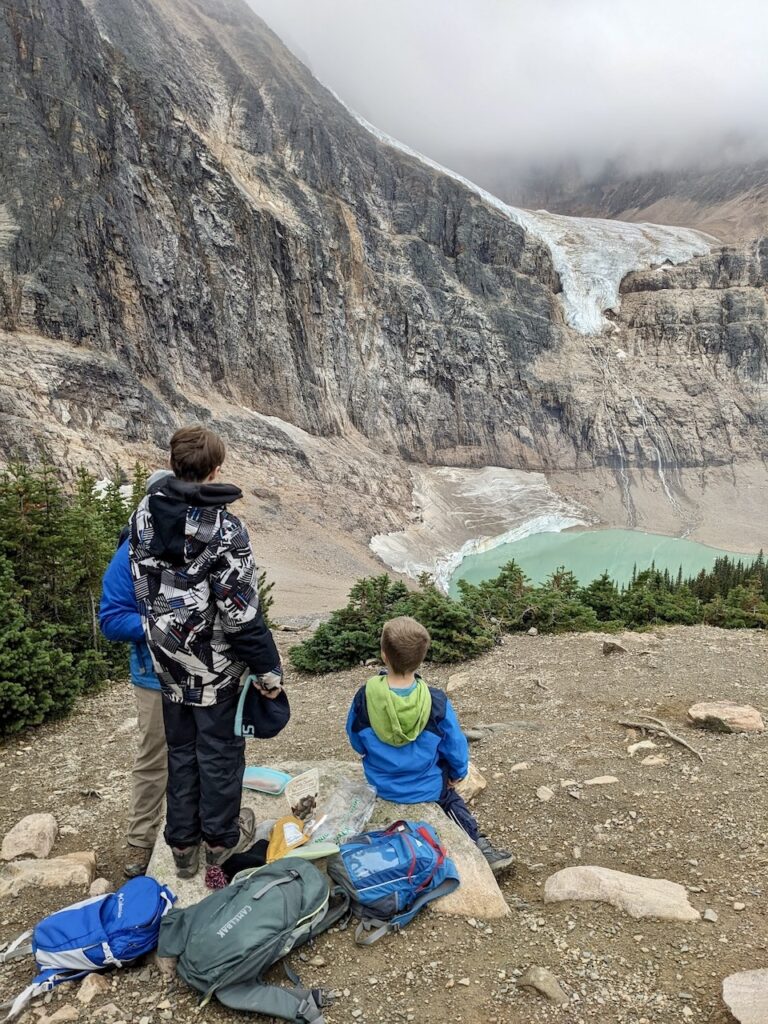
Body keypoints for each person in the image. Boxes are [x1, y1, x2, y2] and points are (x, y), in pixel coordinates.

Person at [128, 425, 282, 879]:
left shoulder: (142, 515)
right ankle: (219, 840)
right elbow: (241, 616)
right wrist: (269, 672)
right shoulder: (225, 530)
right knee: (219, 752)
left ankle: (181, 846)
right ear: (215, 470)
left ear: (174, 464)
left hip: (167, 662)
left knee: (181, 750)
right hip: (215, 670)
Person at [346, 615, 514, 875]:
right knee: (452, 803)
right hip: (428, 788)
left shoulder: (364, 696)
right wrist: (457, 774)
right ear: (421, 659)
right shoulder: (436, 701)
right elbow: (456, 746)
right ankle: (478, 845)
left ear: (384, 655)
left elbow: (355, 739)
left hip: (381, 784)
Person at [99, 471, 173, 879]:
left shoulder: (204, 540)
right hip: (154, 677)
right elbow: (110, 620)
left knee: (204, 755)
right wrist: (162, 625)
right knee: (153, 758)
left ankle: (192, 833)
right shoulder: (131, 550)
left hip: (207, 677)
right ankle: (141, 841)